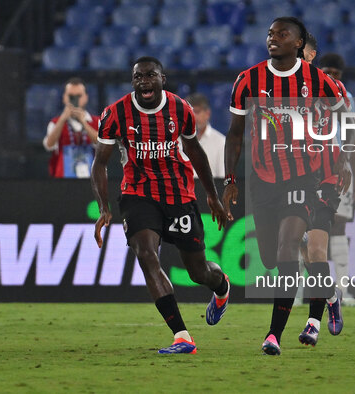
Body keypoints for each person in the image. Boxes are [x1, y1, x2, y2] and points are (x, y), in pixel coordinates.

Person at [222, 17, 355, 356]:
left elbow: (346, 120)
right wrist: (230, 179)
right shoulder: (250, 80)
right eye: (270, 33)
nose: (273, 38)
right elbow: (235, 132)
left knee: (304, 247)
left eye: (282, 34)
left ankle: (287, 330)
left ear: (302, 46)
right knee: (274, 256)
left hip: (313, 175)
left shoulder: (321, 84)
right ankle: (329, 293)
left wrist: (348, 159)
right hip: (265, 179)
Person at [92, 57, 230, 355]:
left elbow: (194, 150)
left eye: (150, 75)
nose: (144, 81)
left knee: (198, 272)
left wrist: (212, 195)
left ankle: (221, 287)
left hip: (178, 193)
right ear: (133, 81)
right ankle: (182, 336)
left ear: (162, 79)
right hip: (137, 193)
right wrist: (104, 208)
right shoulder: (114, 114)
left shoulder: (181, 109)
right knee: (145, 254)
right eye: (138, 76)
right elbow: (99, 163)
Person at [297, 52, 355, 347]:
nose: (331, 76)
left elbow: (351, 133)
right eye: (326, 71)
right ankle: (318, 293)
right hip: (297, 170)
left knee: (334, 230)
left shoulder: (344, 96)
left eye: (336, 72)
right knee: (296, 238)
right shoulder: (300, 92)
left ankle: (342, 290)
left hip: (333, 171)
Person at [43, 78, 99, 178]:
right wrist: (62, 119)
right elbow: (49, 145)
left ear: (86, 97)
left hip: (92, 180)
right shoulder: (55, 122)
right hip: (63, 181)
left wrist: (84, 123)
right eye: (71, 96)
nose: (75, 100)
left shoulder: (96, 122)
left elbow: (102, 144)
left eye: (79, 96)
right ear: (64, 97)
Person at [185, 93, 226, 178]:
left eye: (196, 112)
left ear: (207, 114)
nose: (193, 117)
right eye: (189, 112)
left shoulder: (220, 142)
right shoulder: (177, 140)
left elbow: (223, 177)